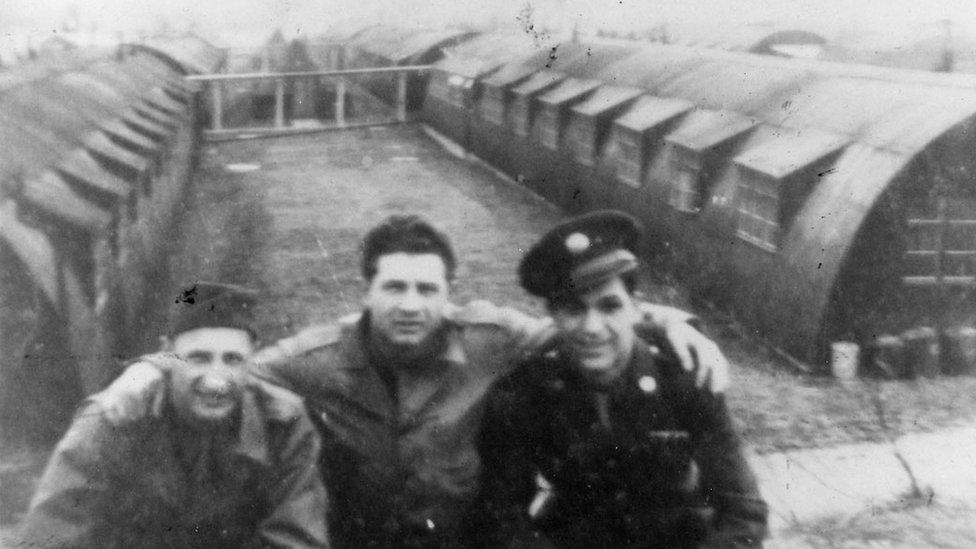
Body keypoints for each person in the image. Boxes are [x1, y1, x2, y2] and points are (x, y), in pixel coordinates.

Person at [103, 215, 730, 547]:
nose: (411, 304)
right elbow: (231, 369)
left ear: (450, 295)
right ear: (367, 292)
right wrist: (153, 366)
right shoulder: (318, 358)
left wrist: (672, 321)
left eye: (427, 288)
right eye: (394, 287)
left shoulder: (492, 338)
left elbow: (583, 324)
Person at [477, 211, 768, 548]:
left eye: (609, 306)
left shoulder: (684, 378)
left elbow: (744, 512)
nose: (592, 327)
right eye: (573, 309)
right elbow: (500, 516)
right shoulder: (525, 392)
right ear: (553, 316)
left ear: (635, 308)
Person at [19, 282, 330, 549]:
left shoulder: (281, 423)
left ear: (253, 357)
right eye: (199, 358)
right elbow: (50, 536)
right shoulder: (116, 417)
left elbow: (297, 539)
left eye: (233, 360)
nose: (216, 380)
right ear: (166, 354)